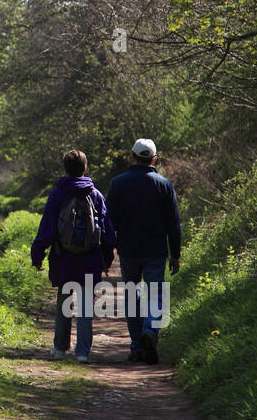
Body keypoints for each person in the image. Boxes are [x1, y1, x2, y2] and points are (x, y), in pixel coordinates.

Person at [30, 149, 117, 364]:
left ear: (65, 169)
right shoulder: (95, 195)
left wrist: (37, 255)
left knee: (64, 301)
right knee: (87, 306)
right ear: (85, 168)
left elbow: (47, 229)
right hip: (90, 258)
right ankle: (82, 353)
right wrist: (107, 260)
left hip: (63, 257)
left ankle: (60, 349)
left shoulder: (58, 194)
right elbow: (107, 233)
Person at [106, 138, 182, 365]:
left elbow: (110, 221)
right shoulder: (164, 185)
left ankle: (137, 345)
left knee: (132, 295)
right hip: (156, 250)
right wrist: (175, 254)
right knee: (157, 293)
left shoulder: (118, 183)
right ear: (154, 159)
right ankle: (151, 330)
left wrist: (107, 251)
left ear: (132, 157)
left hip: (129, 250)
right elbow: (174, 223)